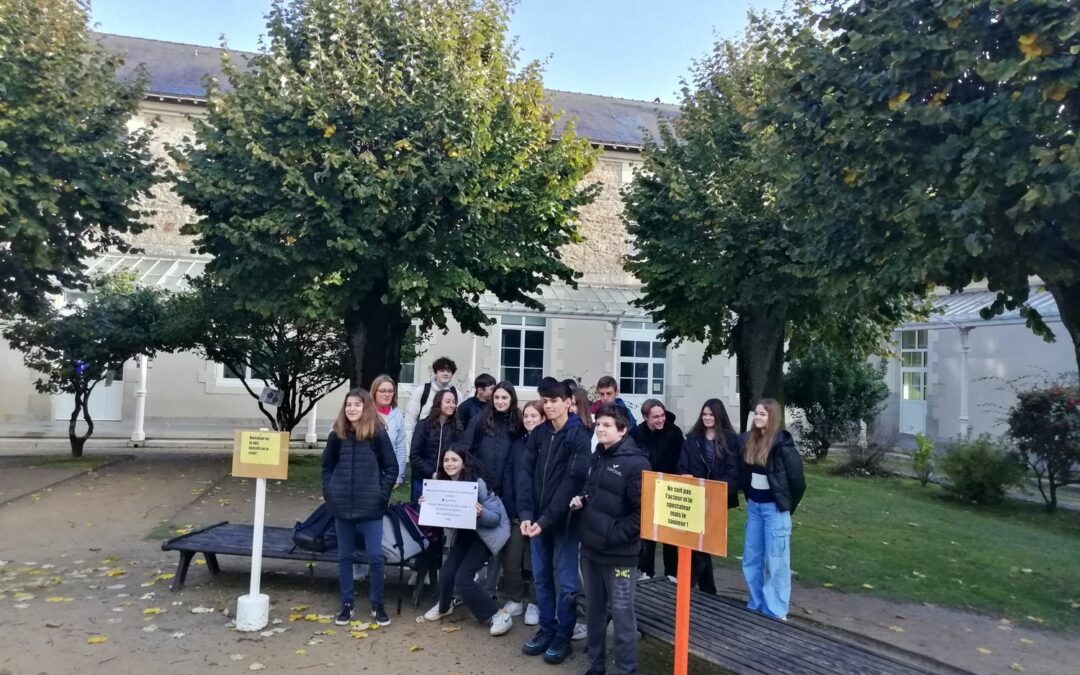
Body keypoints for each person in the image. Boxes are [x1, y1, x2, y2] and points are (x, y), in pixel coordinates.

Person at [571, 403, 650, 675]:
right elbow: (594, 489)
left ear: (623, 429)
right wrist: (582, 499)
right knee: (594, 614)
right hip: (591, 551)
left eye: (607, 425)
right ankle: (595, 666)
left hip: (620, 556)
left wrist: (612, 535)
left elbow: (643, 514)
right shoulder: (599, 454)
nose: (600, 429)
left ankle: (626, 670)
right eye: (598, 424)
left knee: (622, 616)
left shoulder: (637, 463)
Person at [517, 378, 590, 665]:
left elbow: (573, 481)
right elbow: (524, 473)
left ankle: (563, 634)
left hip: (565, 523)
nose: (548, 406)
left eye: (553, 400)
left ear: (568, 402)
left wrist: (545, 520)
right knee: (541, 578)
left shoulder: (579, 436)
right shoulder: (539, 434)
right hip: (536, 522)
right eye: (544, 401)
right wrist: (526, 514)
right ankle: (546, 628)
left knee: (567, 582)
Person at [321, 388, 398, 627]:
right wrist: (330, 491)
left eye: (357, 405)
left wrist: (381, 495)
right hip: (342, 504)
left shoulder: (377, 434)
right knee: (345, 556)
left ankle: (377, 604)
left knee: (375, 556)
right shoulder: (337, 435)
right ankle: (347, 603)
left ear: (366, 408)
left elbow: (391, 468)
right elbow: (327, 467)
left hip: (370, 505)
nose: (352, 409)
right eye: (348, 405)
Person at [418, 446, 515, 636]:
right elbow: (441, 514)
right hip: (465, 533)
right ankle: (445, 606)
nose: (449, 464)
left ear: (464, 463)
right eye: (446, 460)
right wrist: (427, 504)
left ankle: (498, 614)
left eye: (454, 460)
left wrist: (481, 513)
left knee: (463, 578)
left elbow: (495, 518)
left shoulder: (477, 483)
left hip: (486, 535)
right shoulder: (442, 482)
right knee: (446, 572)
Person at [738, 398, 806, 621]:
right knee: (751, 557)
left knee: (776, 561)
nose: (758, 417)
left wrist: (785, 507)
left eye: (763, 414)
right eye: (756, 413)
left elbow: (797, 483)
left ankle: (775, 611)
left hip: (774, 510)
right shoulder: (750, 441)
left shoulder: (783, 446)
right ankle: (756, 603)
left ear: (773, 417)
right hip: (755, 508)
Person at [462, 381, 526, 608]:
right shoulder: (480, 418)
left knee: (502, 541)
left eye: (504, 398)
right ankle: (473, 587)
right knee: (479, 538)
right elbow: (466, 449)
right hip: (483, 489)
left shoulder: (518, 422)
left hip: (507, 490)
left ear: (511, 400)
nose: (500, 401)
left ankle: (499, 590)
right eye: (497, 397)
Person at [676, 399, 739, 594]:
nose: (707, 418)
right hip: (694, 499)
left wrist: (717, 491)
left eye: (711, 414)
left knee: (703, 546)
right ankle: (704, 589)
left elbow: (734, 473)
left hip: (717, 500)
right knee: (698, 546)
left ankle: (690, 587)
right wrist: (684, 477)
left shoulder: (730, 441)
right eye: (704, 414)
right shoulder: (692, 439)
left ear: (719, 416)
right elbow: (682, 467)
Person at [630, 399, 684, 580]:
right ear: (646, 417)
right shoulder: (636, 434)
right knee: (648, 532)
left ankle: (671, 573)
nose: (660, 420)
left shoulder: (674, 433)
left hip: (670, 487)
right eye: (655, 417)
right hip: (647, 486)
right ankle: (646, 571)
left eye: (662, 415)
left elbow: (680, 461)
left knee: (669, 533)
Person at [517, 400, 545, 625]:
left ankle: (536, 603)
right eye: (526, 416)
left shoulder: (549, 442)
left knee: (539, 562)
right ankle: (518, 599)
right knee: (517, 558)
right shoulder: (519, 444)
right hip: (520, 507)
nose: (529, 420)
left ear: (543, 418)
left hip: (542, 511)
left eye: (533, 416)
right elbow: (513, 475)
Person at [409, 389, 462, 502]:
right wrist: (431, 473)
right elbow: (414, 455)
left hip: (447, 480)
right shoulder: (423, 425)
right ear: (438, 403)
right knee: (419, 515)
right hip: (423, 480)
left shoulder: (457, 428)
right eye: (448, 401)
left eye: (454, 402)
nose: (452, 405)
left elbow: (460, 455)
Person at [404, 356, 458, 447]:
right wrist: (409, 452)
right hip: (423, 445)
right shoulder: (421, 391)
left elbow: (457, 423)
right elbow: (409, 423)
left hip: (446, 447)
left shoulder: (456, 394)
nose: (446, 374)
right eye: (442, 370)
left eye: (449, 371)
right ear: (435, 372)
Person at [570, 387, 598, 452]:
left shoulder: (594, 425)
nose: (569, 408)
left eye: (573, 404)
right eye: (568, 404)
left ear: (581, 405)